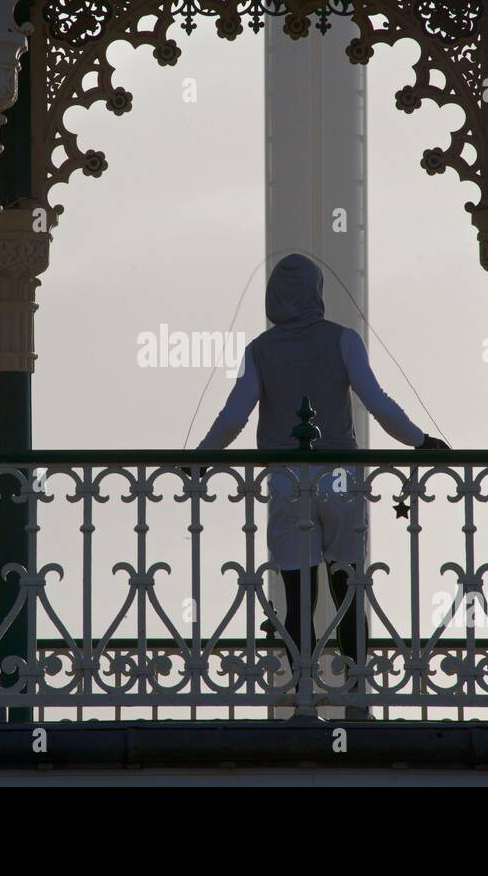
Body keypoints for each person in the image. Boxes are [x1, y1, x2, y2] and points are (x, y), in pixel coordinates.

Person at [196, 253, 448, 709]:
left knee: (298, 594)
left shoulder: (260, 350)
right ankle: (357, 690)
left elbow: (235, 414)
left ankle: (305, 691)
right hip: (340, 478)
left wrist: (201, 460)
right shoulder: (343, 341)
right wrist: (421, 441)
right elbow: (378, 402)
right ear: (317, 292)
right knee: (348, 586)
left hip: (288, 481)